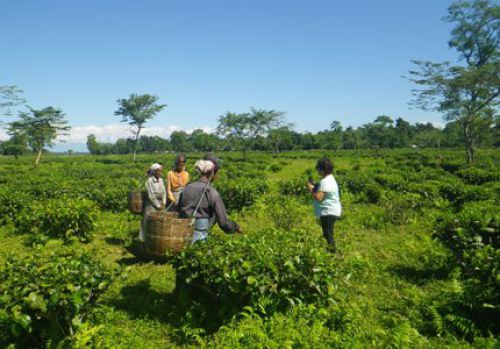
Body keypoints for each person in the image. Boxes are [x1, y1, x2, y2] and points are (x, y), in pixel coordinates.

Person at [177, 154, 242, 244]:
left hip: (181, 237)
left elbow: (178, 210)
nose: (218, 176)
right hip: (199, 239)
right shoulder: (211, 192)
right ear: (212, 173)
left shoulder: (187, 187)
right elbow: (223, 223)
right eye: (217, 173)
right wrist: (235, 226)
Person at [306, 157, 342, 252]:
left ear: (322, 169)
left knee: (328, 235)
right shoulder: (329, 179)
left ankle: (332, 255)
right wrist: (314, 188)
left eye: (318, 168)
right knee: (327, 234)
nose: (317, 171)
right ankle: (330, 253)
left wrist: (311, 190)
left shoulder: (326, 181)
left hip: (328, 211)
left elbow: (319, 197)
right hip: (329, 211)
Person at [139, 163, 167, 241]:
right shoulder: (149, 181)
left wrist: (164, 203)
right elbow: (151, 196)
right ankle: (145, 240)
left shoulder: (161, 180)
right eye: (159, 171)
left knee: (158, 224)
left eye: (161, 171)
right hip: (151, 205)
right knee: (149, 223)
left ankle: (156, 241)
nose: (161, 173)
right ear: (154, 172)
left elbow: (164, 192)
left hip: (161, 204)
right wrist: (158, 205)